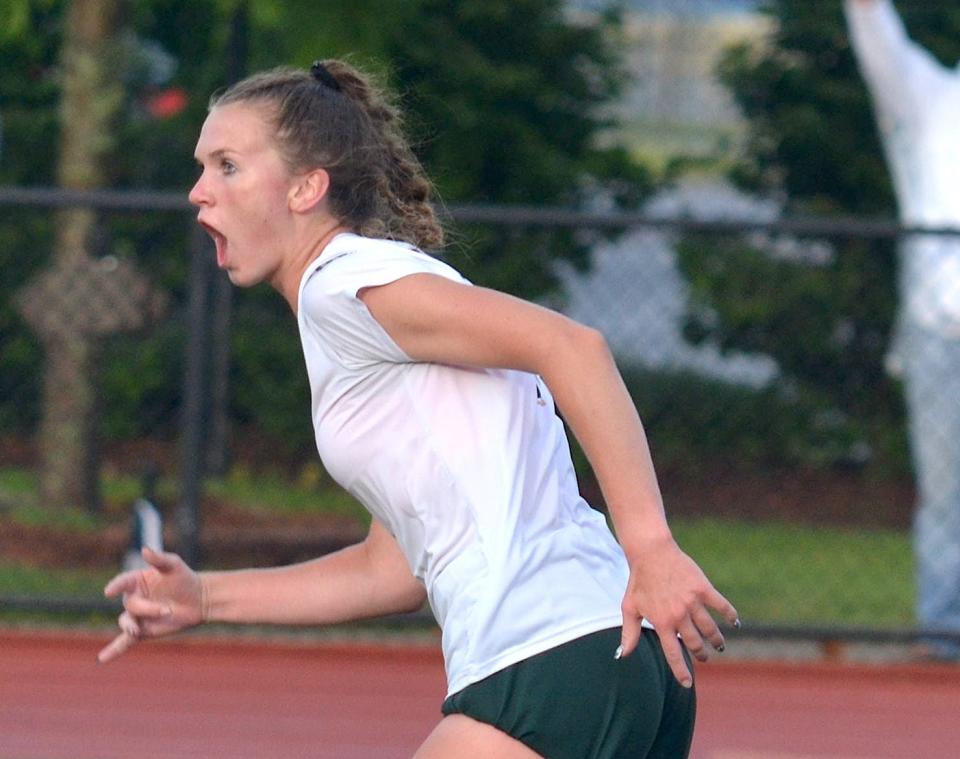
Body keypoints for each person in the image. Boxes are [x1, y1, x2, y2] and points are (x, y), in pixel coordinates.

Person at [97, 59, 739, 758]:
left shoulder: (340, 285)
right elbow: (392, 569)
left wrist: (651, 546)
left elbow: (574, 347)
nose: (199, 193)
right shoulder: (375, 305)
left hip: (548, 658)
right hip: (616, 657)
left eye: (227, 166)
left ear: (307, 188)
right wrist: (205, 598)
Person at [845, 0, 960, 660]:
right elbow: (875, 36)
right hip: (939, 331)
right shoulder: (928, 98)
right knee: (946, 495)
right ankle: (944, 641)